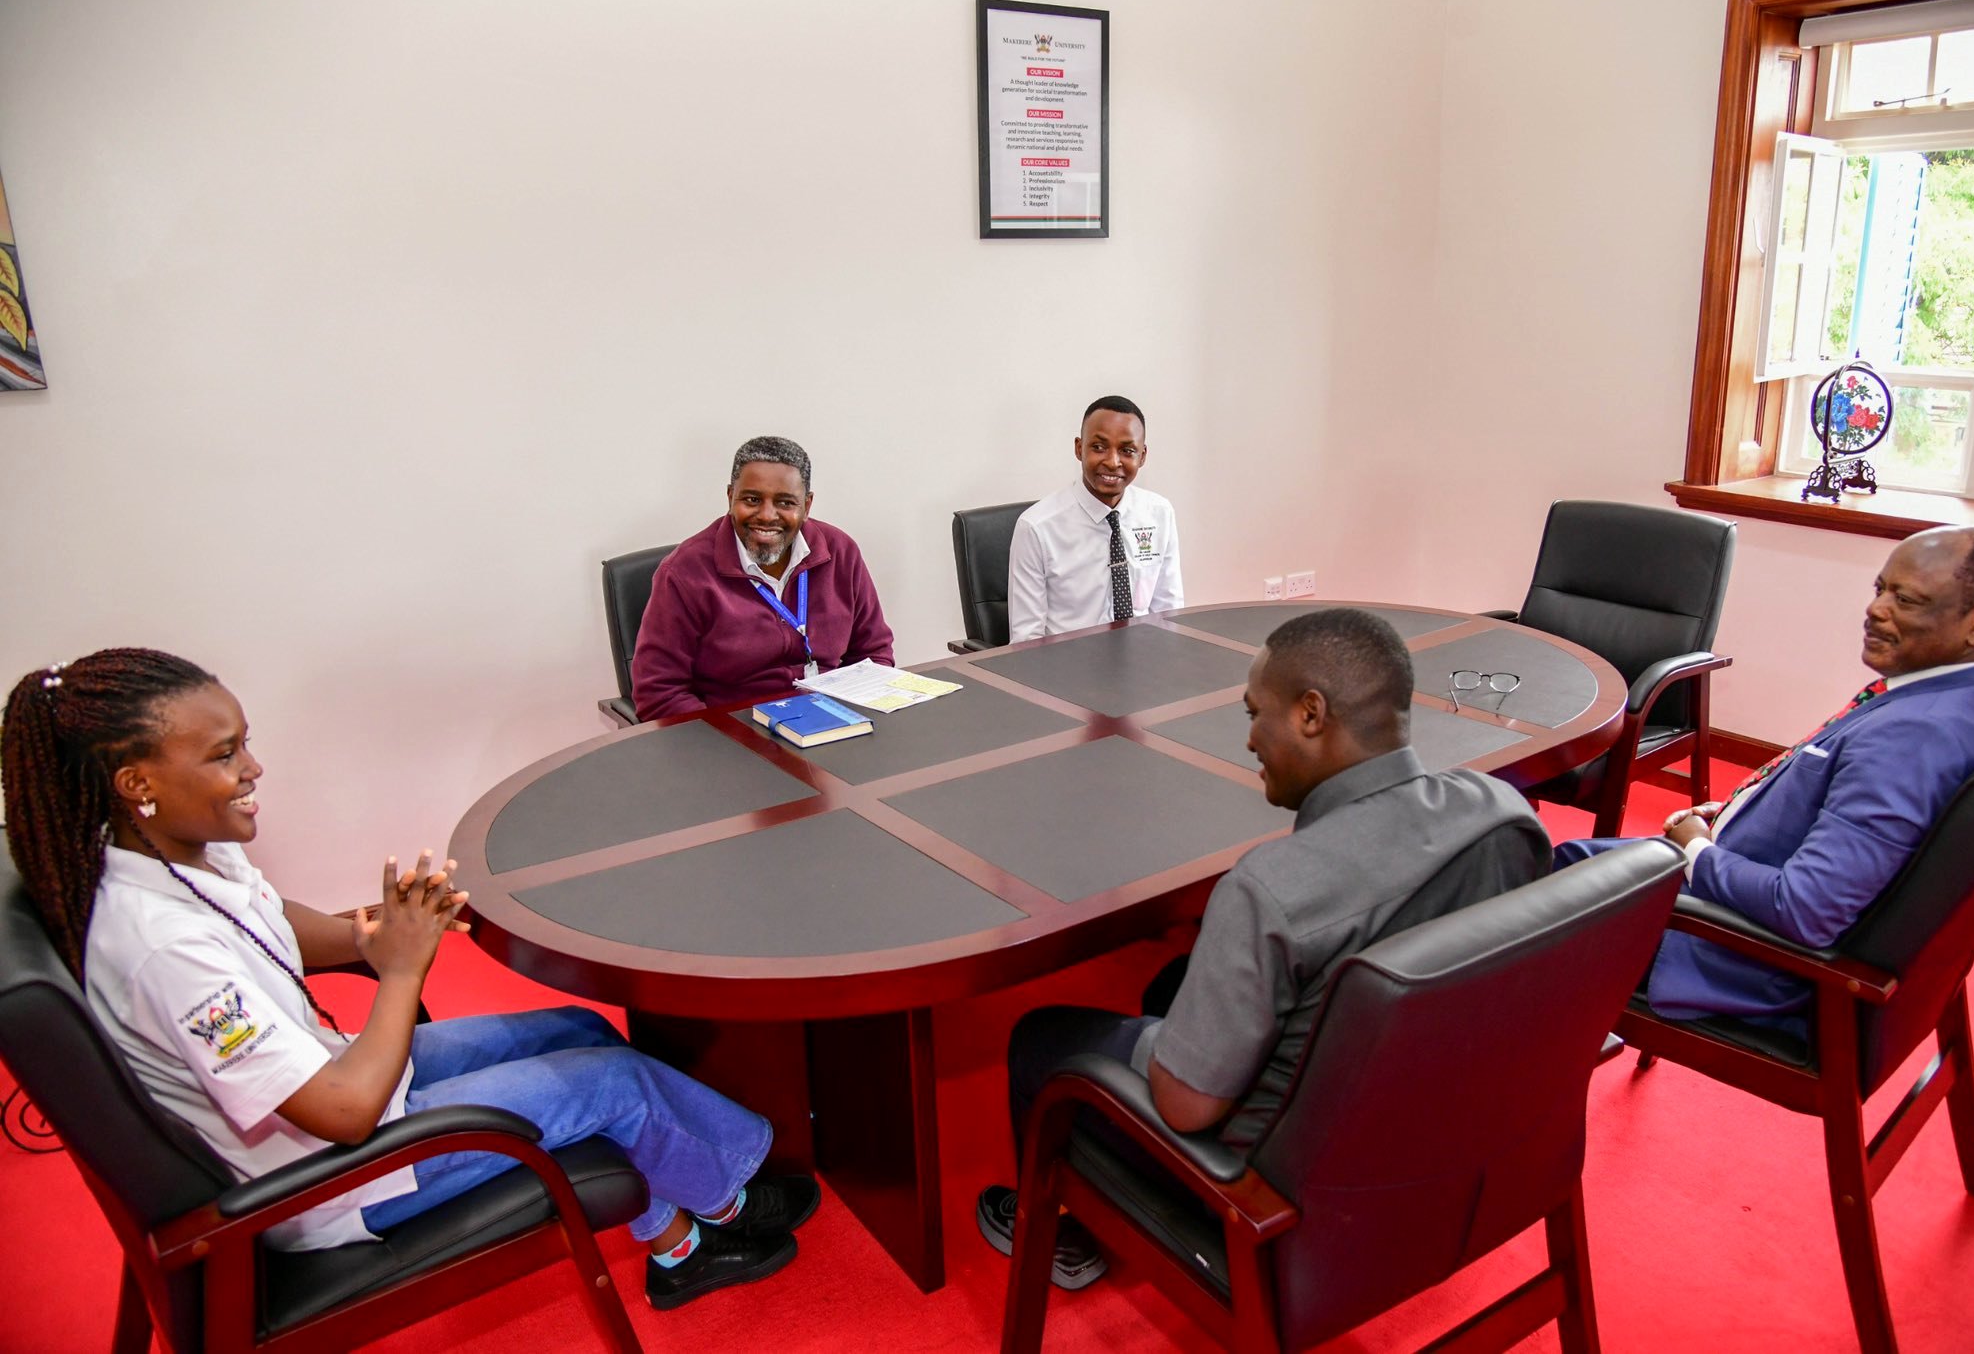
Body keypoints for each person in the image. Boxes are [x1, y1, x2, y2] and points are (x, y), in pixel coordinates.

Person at [1, 648, 817, 1310]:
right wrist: (399, 967)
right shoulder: (159, 949)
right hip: (333, 1175)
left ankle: (676, 1235)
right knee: (615, 1082)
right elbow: (347, 1112)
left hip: (330, 1085)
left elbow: (297, 932)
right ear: (136, 784)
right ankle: (722, 1215)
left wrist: (406, 921)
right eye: (224, 755)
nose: (254, 768)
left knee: (580, 1032)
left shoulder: (181, 857)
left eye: (244, 741)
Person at [974, 608, 1550, 1288]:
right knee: (1176, 981)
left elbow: (1187, 1107)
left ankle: (1063, 1230)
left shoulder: (1270, 890)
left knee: (1043, 1039)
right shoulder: (1504, 816)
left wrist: (1163, 1046)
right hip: (1435, 1123)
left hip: (1277, 1189)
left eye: (1255, 714)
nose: (1248, 738)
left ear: (1310, 714)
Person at [1556, 525, 1974, 1032]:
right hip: (1745, 883)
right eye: (1879, 589)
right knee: (1550, 863)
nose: (1875, 609)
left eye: (1907, 599)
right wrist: (1743, 810)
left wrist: (1699, 851)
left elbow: (1805, 911)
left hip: (1732, 957)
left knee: (1524, 897)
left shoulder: (1915, 736)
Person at [632, 436, 895, 720]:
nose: (767, 516)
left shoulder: (840, 552)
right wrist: (736, 741)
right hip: (734, 735)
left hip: (831, 721)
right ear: (730, 497)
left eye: (785, 502)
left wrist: (848, 719)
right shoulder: (684, 573)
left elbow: (874, 654)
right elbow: (660, 694)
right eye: (752, 499)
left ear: (807, 505)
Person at [1006, 395, 1184, 643]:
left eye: (1127, 450)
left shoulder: (1159, 513)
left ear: (1142, 456)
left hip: (1144, 664)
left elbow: (1168, 615)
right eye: (1099, 447)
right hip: (1069, 667)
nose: (1112, 462)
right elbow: (1027, 639)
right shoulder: (1036, 527)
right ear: (1079, 448)